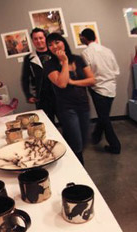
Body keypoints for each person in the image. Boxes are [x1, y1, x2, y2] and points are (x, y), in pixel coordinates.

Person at [43, 33, 95, 164]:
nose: (54, 46)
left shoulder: (78, 59)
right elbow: (62, 83)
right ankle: (79, 169)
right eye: (50, 45)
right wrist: (65, 62)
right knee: (76, 143)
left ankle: (71, 160)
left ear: (63, 42)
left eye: (57, 42)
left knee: (83, 140)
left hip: (83, 105)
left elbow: (92, 80)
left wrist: (74, 82)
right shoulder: (49, 64)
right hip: (67, 108)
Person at [79, 28, 121, 154]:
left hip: (98, 89)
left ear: (84, 38)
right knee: (104, 115)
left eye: (81, 37)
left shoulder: (86, 53)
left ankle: (115, 146)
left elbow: (88, 73)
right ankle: (96, 136)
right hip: (111, 88)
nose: (81, 39)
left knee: (104, 118)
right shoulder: (107, 50)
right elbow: (116, 70)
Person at [21, 28, 57, 124]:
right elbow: (25, 78)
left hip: (59, 94)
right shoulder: (29, 58)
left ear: (45, 38)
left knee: (66, 122)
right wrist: (28, 95)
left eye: (41, 38)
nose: (39, 41)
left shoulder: (55, 53)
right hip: (42, 97)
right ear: (32, 41)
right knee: (47, 123)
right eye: (35, 39)